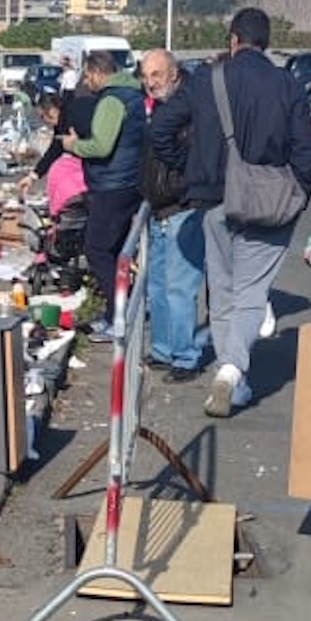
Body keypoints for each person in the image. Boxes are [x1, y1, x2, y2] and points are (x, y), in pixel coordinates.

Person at [152, 8, 311, 417]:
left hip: (214, 198)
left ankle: (232, 380)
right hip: (270, 201)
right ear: (266, 40)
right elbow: (304, 150)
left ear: (232, 39)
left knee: (223, 293)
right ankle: (231, 372)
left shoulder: (207, 79)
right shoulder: (287, 84)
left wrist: (190, 169)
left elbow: (160, 128)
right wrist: (299, 191)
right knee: (252, 293)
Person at [59, 50, 147, 342]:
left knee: (97, 250)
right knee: (115, 251)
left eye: (87, 75)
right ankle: (115, 311)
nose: (86, 81)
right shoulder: (133, 95)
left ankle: (120, 315)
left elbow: (101, 146)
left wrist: (74, 145)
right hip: (127, 182)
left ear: (98, 72)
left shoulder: (112, 100)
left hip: (112, 184)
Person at [139, 49, 207, 382]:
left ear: (174, 74)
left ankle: (185, 356)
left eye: (156, 75)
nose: (150, 82)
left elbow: (192, 154)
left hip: (183, 206)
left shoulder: (189, 108)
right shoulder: (161, 107)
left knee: (180, 286)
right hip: (160, 205)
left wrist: (182, 182)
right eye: (146, 76)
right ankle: (165, 349)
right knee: (158, 285)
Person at [18, 90, 96, 212]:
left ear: (53, 111)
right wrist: (33, 176)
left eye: (42, 116)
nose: (43, 120)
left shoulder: (74, 116)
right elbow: (55, 148)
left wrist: (76, 145)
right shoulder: (63, 119)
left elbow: (93, 145)